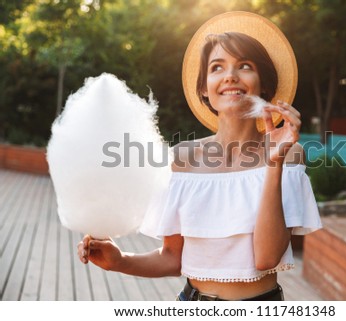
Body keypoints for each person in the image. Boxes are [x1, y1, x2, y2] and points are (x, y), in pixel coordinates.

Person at [77, 11, 321, 301]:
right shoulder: (181, 160)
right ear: (205, 88)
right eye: (217, 67)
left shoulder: (289, 156)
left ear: (264, 84)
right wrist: (120, 260)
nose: (230, 75)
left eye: (244, 65)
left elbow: (266, 258)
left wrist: (273, 162)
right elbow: (172, 258)